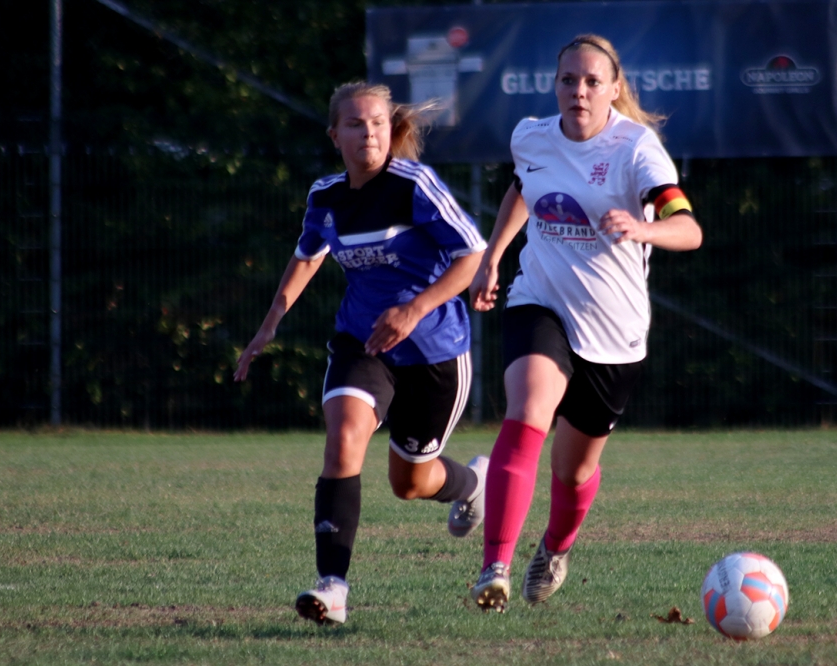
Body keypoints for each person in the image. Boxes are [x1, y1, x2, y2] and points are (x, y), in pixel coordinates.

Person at [234, 81, 489, 626]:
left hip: (434, 350)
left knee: (409, 484)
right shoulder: (326, 196)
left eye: (377, 123)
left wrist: (414, 309)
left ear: (390, 131)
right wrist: (268, 325)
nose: (368, 132)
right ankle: (333, 587)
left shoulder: (414, 184)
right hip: (362, 341)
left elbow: (472, 253)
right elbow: (308, 255)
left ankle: (473, 484)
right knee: (343, 438)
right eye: (355, 123)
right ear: (335, 136)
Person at [468, 34, 703, 612]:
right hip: (539, 300)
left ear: (614, 89)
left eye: (593, 81)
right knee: (527, 411)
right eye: (569, 80)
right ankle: (494, 567)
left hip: (614, 332)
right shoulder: (531, 136)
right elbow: (523, 188)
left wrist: (644, 228)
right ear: (555, 85)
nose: (579, 91)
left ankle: (554, 547)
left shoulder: (636, 148)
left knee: (573, 473)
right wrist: (493, 257)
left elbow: (688, 228)